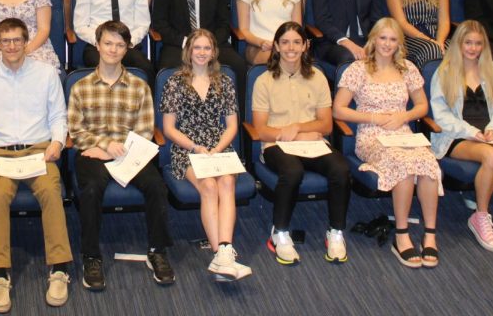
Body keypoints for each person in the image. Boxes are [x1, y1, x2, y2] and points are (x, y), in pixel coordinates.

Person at [0, 17, 72, 311]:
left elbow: (58, 116)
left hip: (39, 150)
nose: (12, 46)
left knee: (52, 193)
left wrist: (57, 143)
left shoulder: (46, 73)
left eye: (17, 40)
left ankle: (60, 268)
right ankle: (0, 275)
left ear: (26, 42)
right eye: (6, 41)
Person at [69, 21, 176, 290]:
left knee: (156, 186)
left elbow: (144, 128)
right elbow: (76, 129)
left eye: (120, 45)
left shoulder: (139, 85)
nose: (113, 49)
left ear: (127, 48)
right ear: (97, 45)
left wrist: (118, 147)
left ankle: (157, 251)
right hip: (93, 154)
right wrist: (105, 146)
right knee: (91, 189)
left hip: (130, 154)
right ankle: (91, 256)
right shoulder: (80, 86)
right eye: (108, 43)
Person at [333, 18, 442, 268]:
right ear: (373, 39)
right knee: (402, 165)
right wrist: (374, 117)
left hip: (403, 132)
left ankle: (430, 234)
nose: (387, 44)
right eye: (383, 38)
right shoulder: (358, 69)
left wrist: (404, 116)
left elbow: (422, 105)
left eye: (393, 39)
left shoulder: (407, 68)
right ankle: (402, 235)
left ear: (399, 43)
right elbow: (338, 110)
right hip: (371, 135)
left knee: (427, 162)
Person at [249, 21, 352, 264]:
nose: (291, 48)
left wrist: (297, 129)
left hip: (311, 143)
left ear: (306, 45)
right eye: (285, 42)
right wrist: (298, 132)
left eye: (297, 42)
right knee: (292, 171)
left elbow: (326, 125)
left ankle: (335, 232)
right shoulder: (263, 80)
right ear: (276, 46)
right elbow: (262, 131)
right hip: (277, 146)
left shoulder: (318, 78)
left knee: (341, 169)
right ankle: (280, 232)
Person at [161, 27, 252, 277]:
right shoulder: (174, 81)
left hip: (219, 146)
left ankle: (223, 253)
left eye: (207, 48)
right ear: (188, 51)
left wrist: (217, 149)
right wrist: (196, 147)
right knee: (209, 187)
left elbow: (232, 125)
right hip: (188, 148)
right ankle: (221, 254)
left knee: (226, 184)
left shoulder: (225, 81)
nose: (202, 52)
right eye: (197, 47)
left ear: (214, 52)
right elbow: (169, 129)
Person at [428, 20, 493, 253]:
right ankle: (481, 216)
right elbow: (442, 116)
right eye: (468, 42)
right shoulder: (445, 71)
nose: (473, 48)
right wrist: (472, 132)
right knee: (491, 157)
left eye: (478, 43)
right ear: (458, 43)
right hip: (456, 135)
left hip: (488, 134)